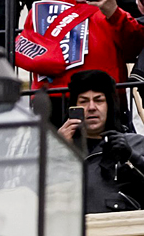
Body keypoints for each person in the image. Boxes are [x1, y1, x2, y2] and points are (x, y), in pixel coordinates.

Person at [18, 0, 144, 110]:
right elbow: (26, 49)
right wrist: (52, 61)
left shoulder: (112, 12)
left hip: (106, 103)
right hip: (56, 101)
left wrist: (114, 13)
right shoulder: (43, 11)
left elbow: (135, 47)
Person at [60, 68, 144, 212]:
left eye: (99, 100)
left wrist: (131, 156)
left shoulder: (136, 143)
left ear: (109, 105)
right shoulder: (58, 146)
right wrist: (56, 149)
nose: (91, 107)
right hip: (70, 229)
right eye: (84, 101)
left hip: (124, 228)